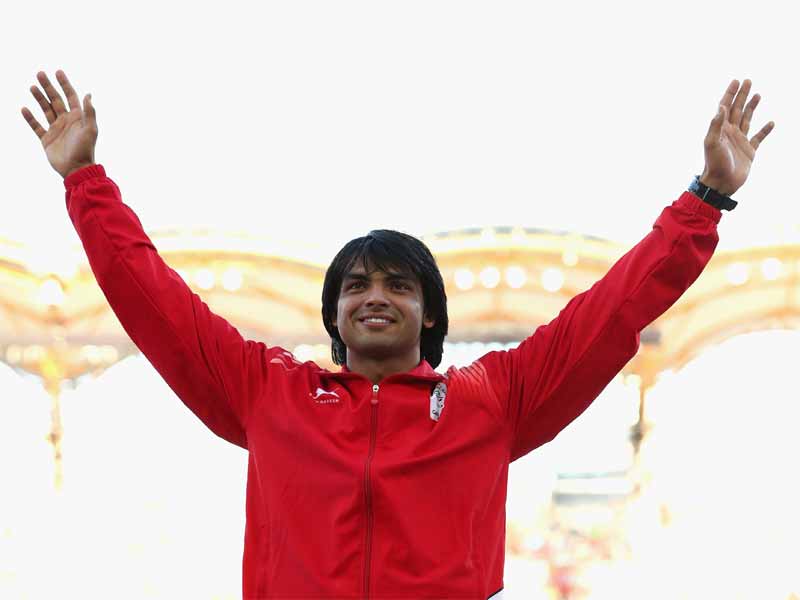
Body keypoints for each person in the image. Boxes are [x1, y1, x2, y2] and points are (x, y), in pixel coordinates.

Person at [22, 70, 773, 600]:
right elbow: (154, 302)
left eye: (398, 285)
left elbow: (610, 312)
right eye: (356, 286)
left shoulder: (494, 400)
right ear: (334, 315)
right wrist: (85, 180)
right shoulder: (267, 392)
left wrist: (706, 198)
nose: (375, 297)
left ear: (431, 314)